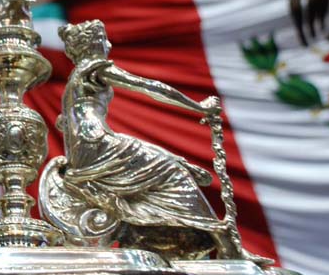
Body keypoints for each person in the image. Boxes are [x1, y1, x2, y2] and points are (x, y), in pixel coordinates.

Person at [51, 19, 241, 261]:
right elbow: (150, 87)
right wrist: (198, 107)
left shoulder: (77, 77)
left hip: (84, 148)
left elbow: (65, 121)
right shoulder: (95, 68)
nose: (109, 45)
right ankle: (219, 236)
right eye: (104, 40)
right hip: (97, 144)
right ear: (95, 44)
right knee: (172, 171)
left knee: (170, 163)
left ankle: (164, 231)